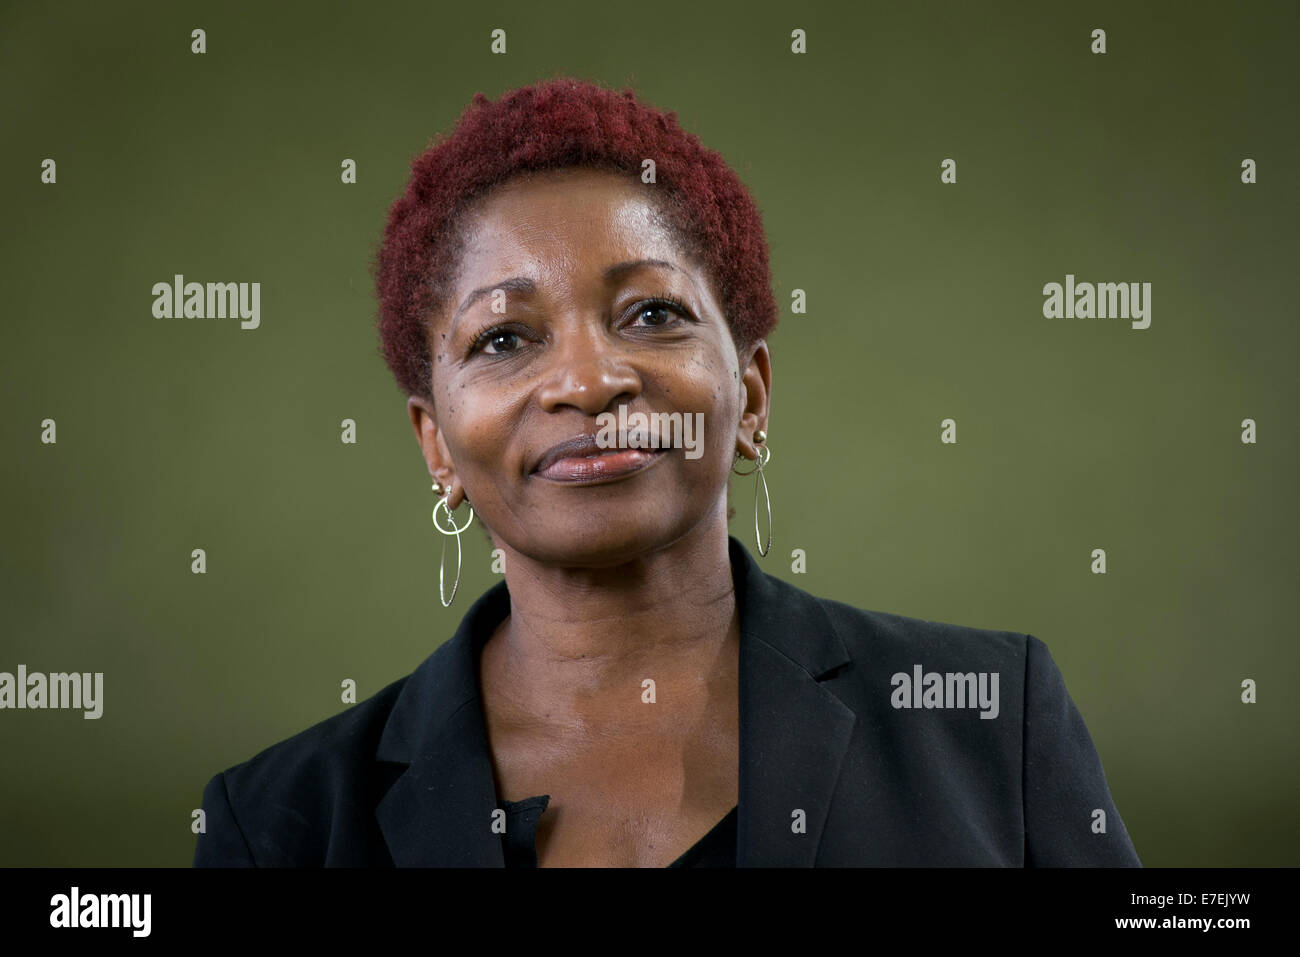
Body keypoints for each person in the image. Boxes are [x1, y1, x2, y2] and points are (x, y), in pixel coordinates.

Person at [193, 76, 1140, 867]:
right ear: (436, 444)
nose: (589, 379)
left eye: (651, 315)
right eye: (506, 336)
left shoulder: (988, 717)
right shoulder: (280, 822)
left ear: (752, 394)